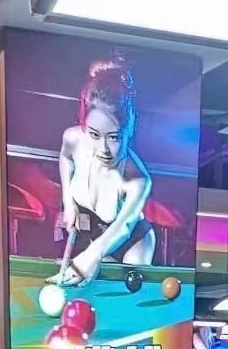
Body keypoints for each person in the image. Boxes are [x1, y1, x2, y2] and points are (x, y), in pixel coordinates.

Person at [51, 54, 155, 288]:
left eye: (114, 137)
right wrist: (68, 202)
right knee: (96, 280)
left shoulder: (138, 180)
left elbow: (124, 227)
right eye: (94, 134)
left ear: (129, 129)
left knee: (130, 284)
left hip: (133, 239)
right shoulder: (73, 138)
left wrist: (92, 255)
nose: (104, 149)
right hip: (94, 233)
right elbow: (65, 159)